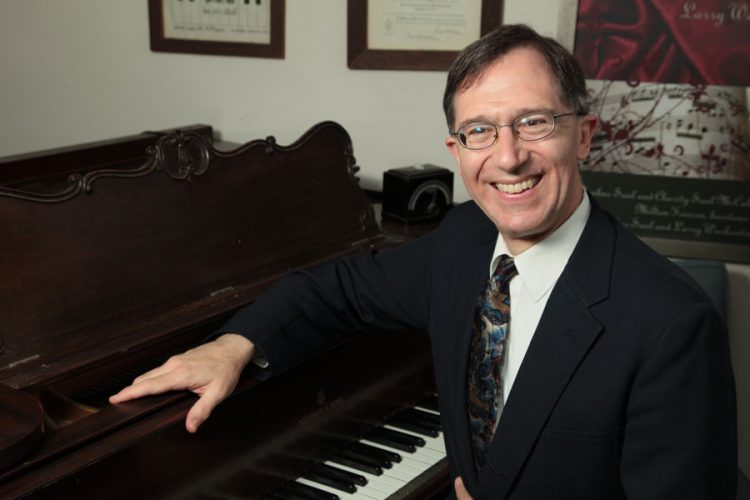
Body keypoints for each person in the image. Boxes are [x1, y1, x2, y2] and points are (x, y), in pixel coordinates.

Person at [110, 24, 737, 499]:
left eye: (534, 122)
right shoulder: (464, 240)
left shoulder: (672, 325)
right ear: (456, 149)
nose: (509, 156)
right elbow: (339, 289)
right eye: (480, 131)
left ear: (586, 134)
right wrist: (236, 343)